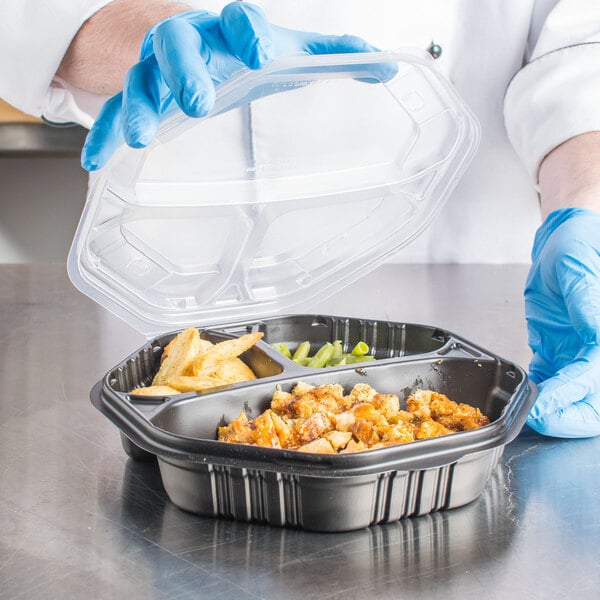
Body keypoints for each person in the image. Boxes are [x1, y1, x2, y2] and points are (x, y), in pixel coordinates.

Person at [2, 0, 600, 437]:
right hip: (189, 279)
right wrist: (150, 38)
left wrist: (586, 210)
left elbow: (581, 48)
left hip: (475, 273)